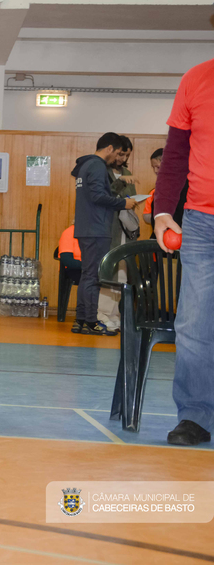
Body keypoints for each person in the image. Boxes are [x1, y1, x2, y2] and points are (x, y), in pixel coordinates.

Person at [154, 56, 214, 446]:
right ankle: (194, 415)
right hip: (201, 222)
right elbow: (175, 154)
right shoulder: (196, 79)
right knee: (193, 325)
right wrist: (161, 211)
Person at [70, 133, 137, 336]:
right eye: (117, 153)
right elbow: (99, 196)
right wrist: (123, 203)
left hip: (86, 228)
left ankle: (81, 319)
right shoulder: (98, 165)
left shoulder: (84, 165)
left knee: (87, 275)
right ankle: (91, 321)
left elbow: (94, 195)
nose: (117, 157)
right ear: (109, 148)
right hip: (97, 228)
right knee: (93, 277)